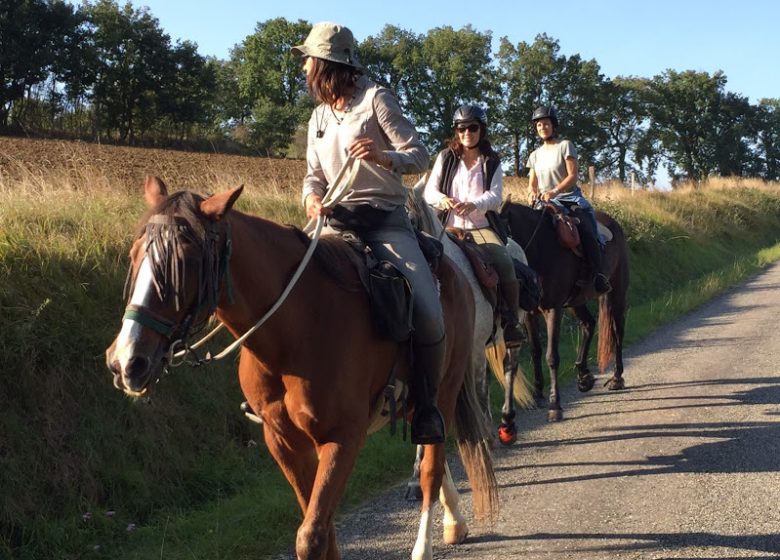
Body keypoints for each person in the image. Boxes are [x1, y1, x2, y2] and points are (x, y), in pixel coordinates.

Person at [292, 21, 445, 444]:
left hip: (384, 221)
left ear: (327, 63)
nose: (303, 68)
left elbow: (419, 154)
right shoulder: (318, 117)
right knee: (289, 283)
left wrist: (384, 156)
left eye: (308, 60)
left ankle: (427, 407)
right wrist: (311, 199)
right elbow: (312, 176)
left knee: (429, 308)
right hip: (335, 222)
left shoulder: (377, 99)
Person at [423, 104, 525, 346]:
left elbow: (496, 196)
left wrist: (474, 204)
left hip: (480, 228)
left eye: (472, 127)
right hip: (447, 227)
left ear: (482, 129)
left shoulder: (491, 161)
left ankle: (511, 321)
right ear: (456, 131)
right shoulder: (446, 157)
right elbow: (429, 191)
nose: (466, 132)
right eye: (461, 128)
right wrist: (443, 200)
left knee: (503, 261)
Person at [526, 106, 611, 294]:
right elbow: (532, 181)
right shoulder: (534, 155)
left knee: (586, 229)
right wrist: (532, 192)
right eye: (539, 125)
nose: (542, 127)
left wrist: (554, 191)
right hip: (545, 203)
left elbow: (572, 175)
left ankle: (598, 274)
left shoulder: (565, 146)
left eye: (546, 124)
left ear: (553, 126)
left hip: (568, 198)